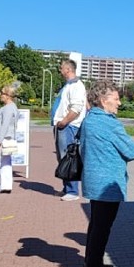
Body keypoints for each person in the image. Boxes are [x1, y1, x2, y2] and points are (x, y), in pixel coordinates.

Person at [80, 81, 134, 267]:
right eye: (116, 98)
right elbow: (131, 151)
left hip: (93, 180)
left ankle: (92, 261)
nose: (119, 103)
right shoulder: (110, 123)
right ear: (104, 101)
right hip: (108, 183)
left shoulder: (88, 120)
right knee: (102, 227)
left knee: (96, 224)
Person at [52, 58, 87, 201]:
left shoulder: (77, 86)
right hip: (62, 126)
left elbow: (76, 108)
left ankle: (72, 191)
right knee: (62, 157)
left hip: (69, 126)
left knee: (69, 157)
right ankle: (67, 188)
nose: (60, 71)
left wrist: (64, 122)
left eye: (61, 68)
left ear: (68, 69)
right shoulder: (68, 85)